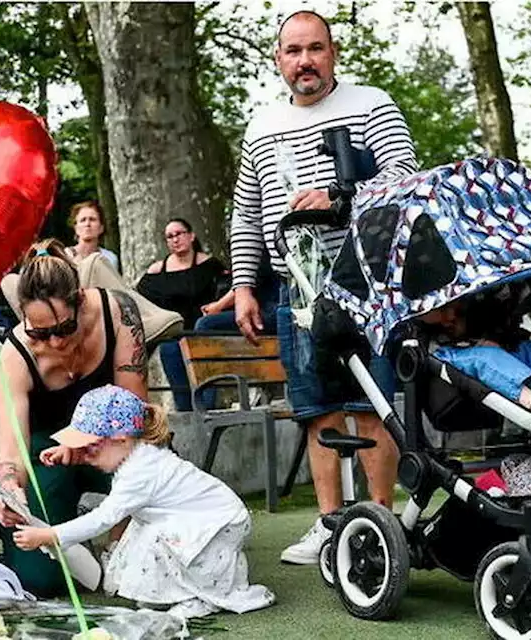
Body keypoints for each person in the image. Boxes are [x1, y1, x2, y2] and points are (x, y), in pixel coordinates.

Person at [228, 11, 418, 565]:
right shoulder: (260, 125)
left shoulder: (371, 103)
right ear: (278, 59)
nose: (304, 61)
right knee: (317, 409)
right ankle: (330, 525)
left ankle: (381, 521)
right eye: (293, 51)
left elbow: (405, 178)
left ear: (332, 52)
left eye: (315, 49)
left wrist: (341, 195)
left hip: (368, 281)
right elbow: (245, 214)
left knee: (374, 405)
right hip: (296, 289)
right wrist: (244, 286)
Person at [13, 385, 274, 618]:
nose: (85, 454)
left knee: (182, 549)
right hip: (202, 514)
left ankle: (202, 597)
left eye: (89, 446)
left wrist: (51, 535)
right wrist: (71, 451)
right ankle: (173, 591)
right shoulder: (135, 454)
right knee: (149, 538)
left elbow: (102, 519)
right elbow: (100, 453)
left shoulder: (139, 474)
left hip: (218, 521)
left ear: (121, 440)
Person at [0, 238, 148, 597]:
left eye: (64, 329)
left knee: (155, 543)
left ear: (81, 301)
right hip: (47, 452)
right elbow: (10, 453)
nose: (56, 343)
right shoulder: (16, 354)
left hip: (114, 443)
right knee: (42, 581)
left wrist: (120, 537)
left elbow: (135, 421)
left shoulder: (117, 313)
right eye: (40, 333)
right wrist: (10, 489)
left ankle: (111, 542)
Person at [136, 218, 226, 411]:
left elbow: (226, 293)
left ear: (191, 236)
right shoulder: (157, 271)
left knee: (206, 398)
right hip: (173, 339)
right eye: (170, 236)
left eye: (179, 234)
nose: (175, 239)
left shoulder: (210, 265)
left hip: (203, 336)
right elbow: (141, 303)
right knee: (182, 396)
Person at [65, 201, 120, 273]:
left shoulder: (110, 258)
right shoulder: (65, 256)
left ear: (101, 227)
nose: (87, 224)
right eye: (83, 220)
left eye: (92, 219)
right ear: (76, 228)